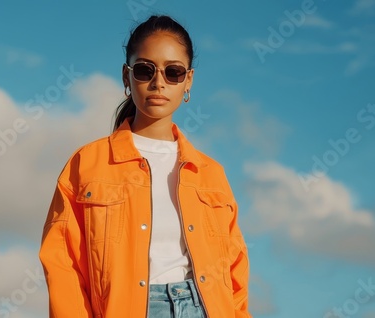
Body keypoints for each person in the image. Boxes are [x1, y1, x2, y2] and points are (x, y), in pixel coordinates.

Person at [39, 15, 252, 318]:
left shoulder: (211, 174)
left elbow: (236, 273)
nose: (158, 82)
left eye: (173, 72)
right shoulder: (86, 164)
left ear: (188, 81)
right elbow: (63, 264)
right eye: (144, 69)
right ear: (126, 77)